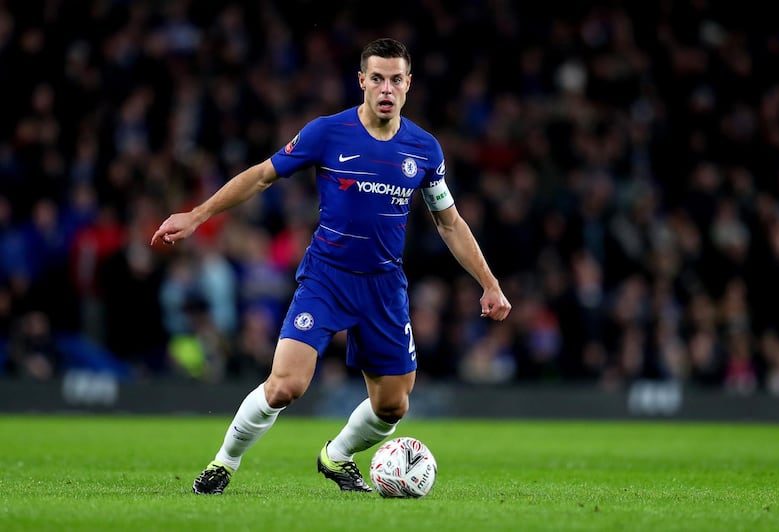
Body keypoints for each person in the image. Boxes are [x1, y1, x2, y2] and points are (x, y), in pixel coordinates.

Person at [150, 37, 512, 495]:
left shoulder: (424, 150)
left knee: (393, 406)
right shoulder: (327, 133)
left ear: (408, 85)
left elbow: (450, 223)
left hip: (383, 285)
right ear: (361, 81)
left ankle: (336, 456)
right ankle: (224, 463)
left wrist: (490, 284)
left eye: (395, 79)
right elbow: (262, 175)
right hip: (327, 277)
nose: (386, 88)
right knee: (285, 385)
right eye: (377, 78)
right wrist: (196, 215)